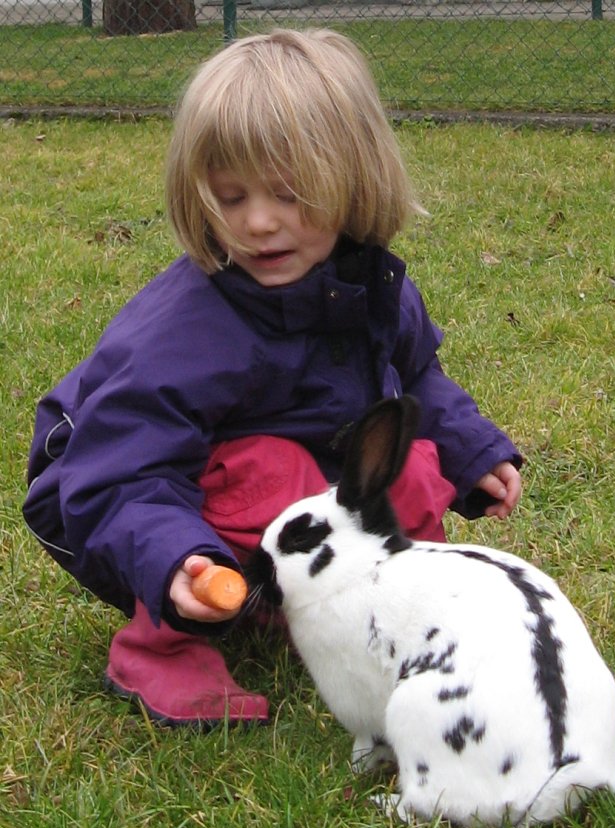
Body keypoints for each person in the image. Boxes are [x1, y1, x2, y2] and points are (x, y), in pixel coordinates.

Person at [23, 28, 522, 728]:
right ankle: (161, 646)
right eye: (229, 199)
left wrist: (472, 453)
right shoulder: (187, 331)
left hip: (289, 492)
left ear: (354, 180)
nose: (258, 223)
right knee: (272, 467)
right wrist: (174, 562)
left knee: (404, 465)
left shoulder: (369, 284)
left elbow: (413, 379)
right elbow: (119, 471)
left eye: (289, 194)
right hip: (117, 493)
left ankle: (381, 613)